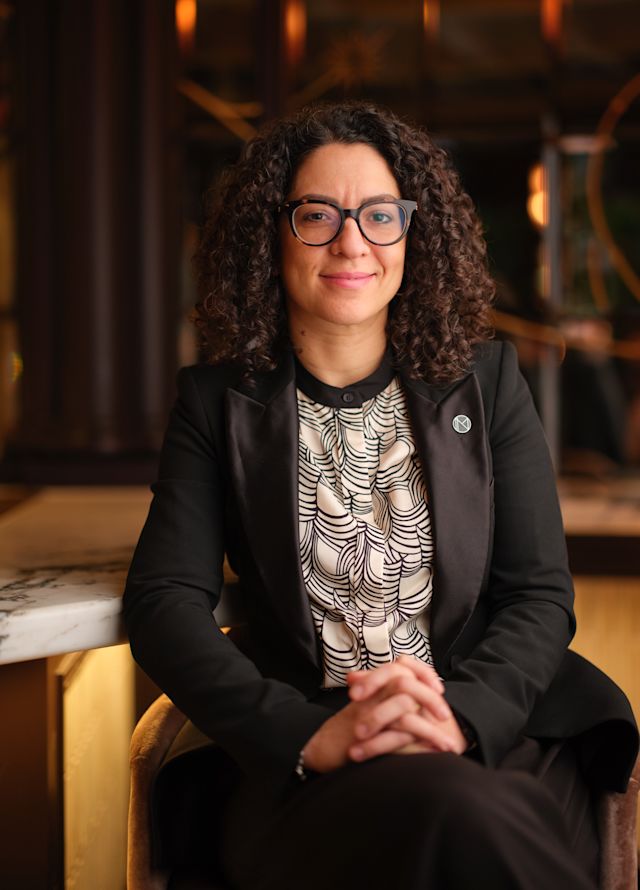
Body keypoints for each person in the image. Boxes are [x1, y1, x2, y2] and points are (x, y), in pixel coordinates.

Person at [123, 101, 638, 890]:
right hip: (308, 760)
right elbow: (164, 604)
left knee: (462, 811)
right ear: (273, 233)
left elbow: (537, 593)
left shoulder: (490, 384)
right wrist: (309, 734)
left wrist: (455, 719)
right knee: (455, 823)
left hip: (495, 736)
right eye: (318, 215)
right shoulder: (216, 404)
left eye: (379, 215)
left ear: (413, 233)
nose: (352, 242)